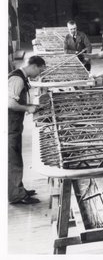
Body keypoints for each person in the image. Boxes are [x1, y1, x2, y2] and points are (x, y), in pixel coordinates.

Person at [9, 56, 46, 205]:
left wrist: (31, 105)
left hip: (13, 124)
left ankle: (18, 189)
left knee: (15, 158)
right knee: (13, 160)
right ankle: (16, 195)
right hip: (9, 125)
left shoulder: (20, 77)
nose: (39, 75)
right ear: (34, 66)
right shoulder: (17, 79)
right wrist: (28, 108)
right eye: (40, 70)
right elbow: (10, 103)